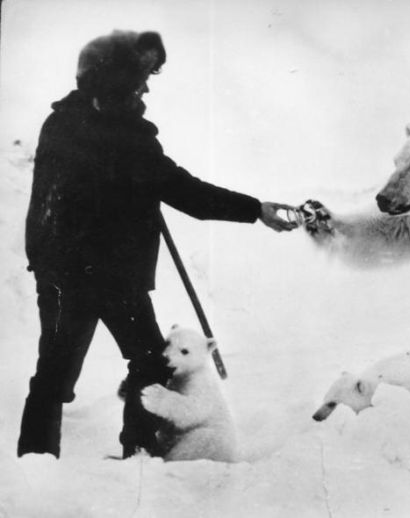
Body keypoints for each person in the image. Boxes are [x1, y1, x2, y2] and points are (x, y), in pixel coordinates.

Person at [18, 30, 298, 459]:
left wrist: (253, 207)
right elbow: (183, 191)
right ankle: (50, 471)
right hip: (83, 277)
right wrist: (255, 209)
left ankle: (133, 457)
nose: (147, 87)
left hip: (95, 276)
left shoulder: (75, 123)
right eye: (140, 78)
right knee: (72, 373)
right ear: (112, 80)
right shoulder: (117, 134)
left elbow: (163, 187)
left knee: (137, 364)